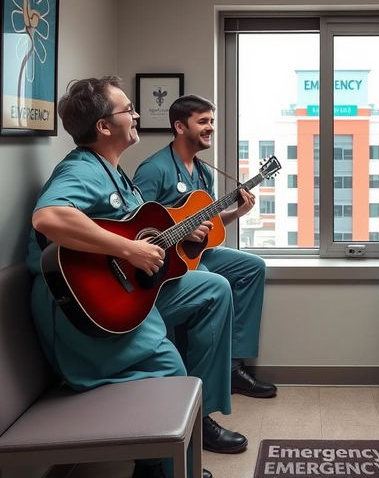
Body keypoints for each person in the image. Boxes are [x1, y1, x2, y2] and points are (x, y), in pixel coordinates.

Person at [25, 78, 248, 478]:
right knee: (169, 369)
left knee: (214, 287)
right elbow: (49, 217)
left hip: (125, 287)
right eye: (128, 109)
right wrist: (129, 250)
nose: (138, 114)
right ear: (104, 127)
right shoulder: (80, 169)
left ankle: (190, 429)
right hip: (86, 303)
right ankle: (163, 465)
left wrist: (169, 238)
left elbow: (140, 229)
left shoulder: (114, 173)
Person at [133, 95, 276, 399]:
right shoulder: (154, 169)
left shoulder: (203, 171)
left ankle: (234, 367)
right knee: (216, 282)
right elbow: (137, 227)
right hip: (166, 263)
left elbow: (206, 222)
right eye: (203, 121)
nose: (210, 127)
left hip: (199, 253)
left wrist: (236, 212)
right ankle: (204, 385)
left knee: (253, 267)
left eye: (212, 121)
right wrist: (181, 234)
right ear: (180, 126)